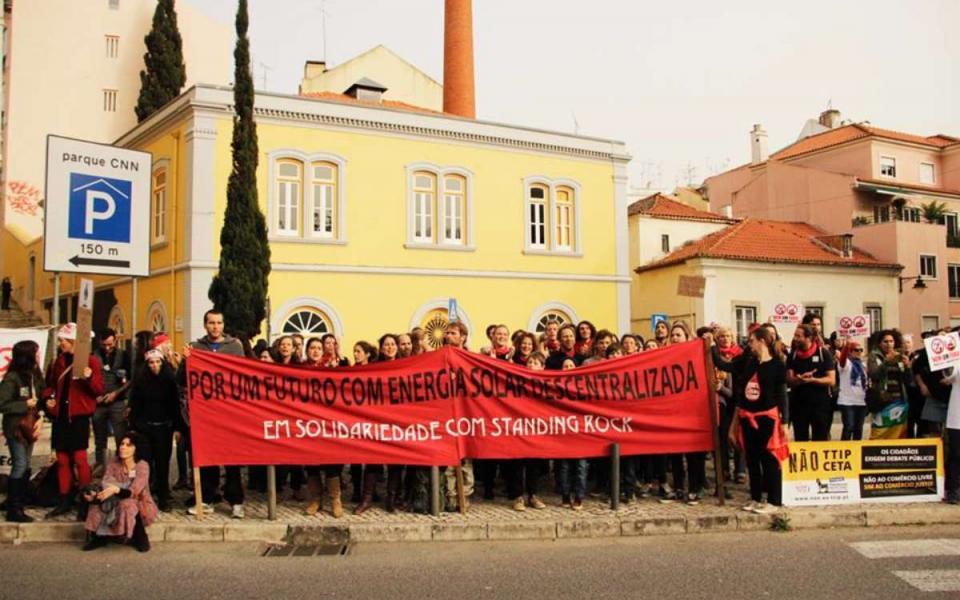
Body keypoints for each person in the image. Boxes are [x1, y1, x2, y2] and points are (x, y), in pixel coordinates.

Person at [179, 309, 247, 519]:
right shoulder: (196, 347)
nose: (215, 327)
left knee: (232, 459)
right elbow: (181, 380)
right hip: (205, 415)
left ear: (223, 325)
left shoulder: (235, 347)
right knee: (207, 458)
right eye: (211, 323)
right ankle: (207, 498)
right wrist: (186, 361)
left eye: (219, 323)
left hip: (228, 413)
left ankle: (236, 501)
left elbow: (244, 375)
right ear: (205, 325)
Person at [713, 327, 788, 514]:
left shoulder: (777, 365)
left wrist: (785, 422)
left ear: (762, 341)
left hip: (767, 418)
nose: (750, 345)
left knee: (769, 459)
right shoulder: (748, 362)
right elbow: (723, 365)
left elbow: (782, 395)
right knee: (752, 459)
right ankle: (755, 497)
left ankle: (774, 500)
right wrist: (711, 345)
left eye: (752, 341)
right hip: (748, 417)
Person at [43, 323, 104, 520]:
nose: (61, 343)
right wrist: (48, 399)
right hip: (61, 416)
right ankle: (64, 499)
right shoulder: (58, 362)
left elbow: (97, 390)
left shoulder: (91, 361)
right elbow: (50, 385)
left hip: (78, 417)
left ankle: (85, 499)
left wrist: (89, 377)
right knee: (62, 460)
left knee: (80, 459)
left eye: (64, 340)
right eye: (60, 340)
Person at [82, 432, 158, 553]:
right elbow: (106, 482)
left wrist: (115, 489)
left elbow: (135, 490)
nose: (123, 447)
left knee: (128, 504)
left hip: (139, 501)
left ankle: (140, 536)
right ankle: (99, 537)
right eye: (122, 444)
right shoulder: (113, 463)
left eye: (129, 445)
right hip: (112, 497)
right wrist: (96, 495)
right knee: (96, 504)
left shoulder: (142, 466)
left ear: (137, 448)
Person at [128, 348, 181, 512]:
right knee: (145, 465)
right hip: (145, 429)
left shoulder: (169, 381)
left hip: (164, 428)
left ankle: (164, 497)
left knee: (163, 465)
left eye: (158, 362)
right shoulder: (141, 381)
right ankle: (145, 496)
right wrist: (136, 426)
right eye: (151, 362)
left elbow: (175, 405)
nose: (155, 366)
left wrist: (177, 428)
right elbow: (134, 405)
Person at [300, 337, 345, 518]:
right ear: (307, 350)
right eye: (312, 348)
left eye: (319, 348)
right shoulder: (299, 370)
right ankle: (316, 499)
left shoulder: (333, 369)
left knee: (331, 463)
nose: (316, 351)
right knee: (311, 464)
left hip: (329, 423)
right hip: (308, 423)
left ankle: (335, 499)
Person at [0, 340, 44, 522]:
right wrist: (24, 404)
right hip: (17, 427)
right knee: (19, 463)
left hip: (31, 425)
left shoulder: (35, 374)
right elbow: (3, 404)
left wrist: (42, 411)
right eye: (35, 352)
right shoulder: (12, 378)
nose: (38, 355)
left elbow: (41, 395)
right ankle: (14, 509)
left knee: (25, 464)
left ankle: (17, 499)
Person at [506, 353, 546, 512]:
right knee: (516, 464)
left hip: (536, 429)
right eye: (530, 361)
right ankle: (517, 497)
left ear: (543, 367)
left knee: (534, 465)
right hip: (518, 427)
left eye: (536, 362)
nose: (532, 364)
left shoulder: (547, 384)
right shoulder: (517, 381)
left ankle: (533, 495)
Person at [442, 322, 475, 511]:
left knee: (465, 459)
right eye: (447, 333)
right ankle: (451, 496)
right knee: (449, 461)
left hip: (466, 414)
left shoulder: (470, 357)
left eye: (453, 333)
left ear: (463, 336)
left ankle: (466, 495)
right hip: (447, 413)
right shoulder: (443, 356)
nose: (448, 336)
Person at [786, 324, 836, 441]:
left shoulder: (823, 354)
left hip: (820, 405)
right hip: (798, 405)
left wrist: (813, 380)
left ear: (808, 338)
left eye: (798, 336)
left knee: (820, 440)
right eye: (795, 335)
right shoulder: (792, 355)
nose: (795, 338)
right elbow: (789, 379)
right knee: (800, 439)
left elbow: (831, 380)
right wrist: (800, 379)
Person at [92, 328, 130, 474]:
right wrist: (95, 395)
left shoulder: (124, 355)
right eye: (104, 345)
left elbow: (130, 379)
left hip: (118, 401)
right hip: (99, 403)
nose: (107, 348)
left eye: (110, 345)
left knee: (121, 437)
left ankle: (121, 467)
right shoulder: (93, 356)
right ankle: (101, 467)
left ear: (115, 341)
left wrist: (116, 393)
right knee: (99, 439)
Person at [867, 329, 910, 440]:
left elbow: (908, 380)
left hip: (900, 401)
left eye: (891, 341)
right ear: (880, 343)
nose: (889, 344)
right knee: (879, 433)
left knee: (898, 434)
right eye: (885, 341)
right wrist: (886, 361)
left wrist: (907, 367)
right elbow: (874, 374)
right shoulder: (874, 356)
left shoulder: (900, 356)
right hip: (883, 401)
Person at [837, 341, 868, 441]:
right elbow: (842, 361)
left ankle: (857, 451)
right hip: (847, 401)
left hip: (861, 401)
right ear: (850, 352)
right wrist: (846, 346)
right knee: (849, 427)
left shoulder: (863, 364)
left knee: (858, 429)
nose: (859, 352)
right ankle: (844, 448)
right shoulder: (847, 363)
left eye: (861, 350)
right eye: (856, 350)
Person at [943, 363, 960, 504]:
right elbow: (948, 373)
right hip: (957, 420)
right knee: (956, 455)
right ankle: (952, 490)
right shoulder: (957, 361)